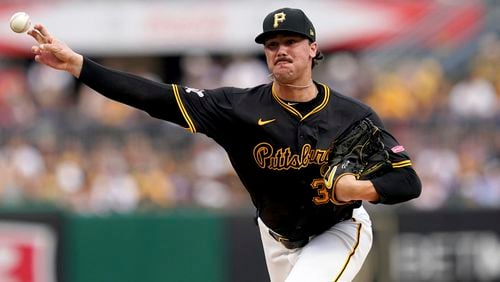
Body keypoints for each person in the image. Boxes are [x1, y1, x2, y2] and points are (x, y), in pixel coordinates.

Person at [28, 7, 421, 282]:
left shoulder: (352, 115)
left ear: (313, 48)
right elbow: (155, 96)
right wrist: (79, 65)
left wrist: (360, 188)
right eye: (272, 44)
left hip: (338, 228)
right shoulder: (237, 107)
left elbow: (408, 181)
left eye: (291, 41)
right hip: (276, 236)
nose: (281, 49)